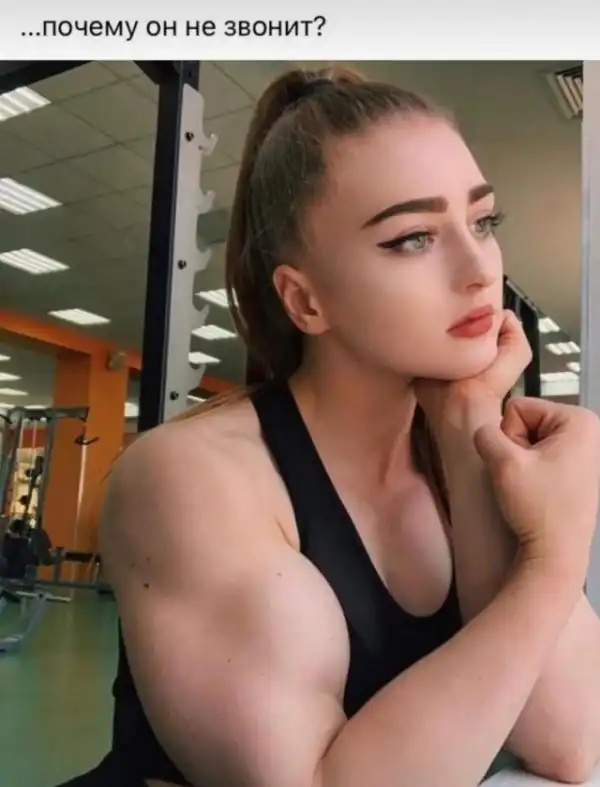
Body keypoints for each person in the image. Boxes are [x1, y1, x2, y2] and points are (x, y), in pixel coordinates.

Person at [95, 68, 600, 787]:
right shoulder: (189, 477)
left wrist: (468, 427)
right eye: (413, 238)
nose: (479, 270)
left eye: (483, 222)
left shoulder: (469, 447)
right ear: (305, 301)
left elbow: (570, 742)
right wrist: (554, 558)